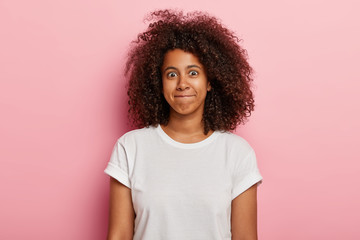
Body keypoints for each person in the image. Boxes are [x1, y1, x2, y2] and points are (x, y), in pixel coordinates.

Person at [104, 9, 263, 240]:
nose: (182, 84)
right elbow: (118, 235)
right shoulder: (130, 148)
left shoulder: (237, 153)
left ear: (210, 81)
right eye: (171, 74)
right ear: (158, 83)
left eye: (193, 72)